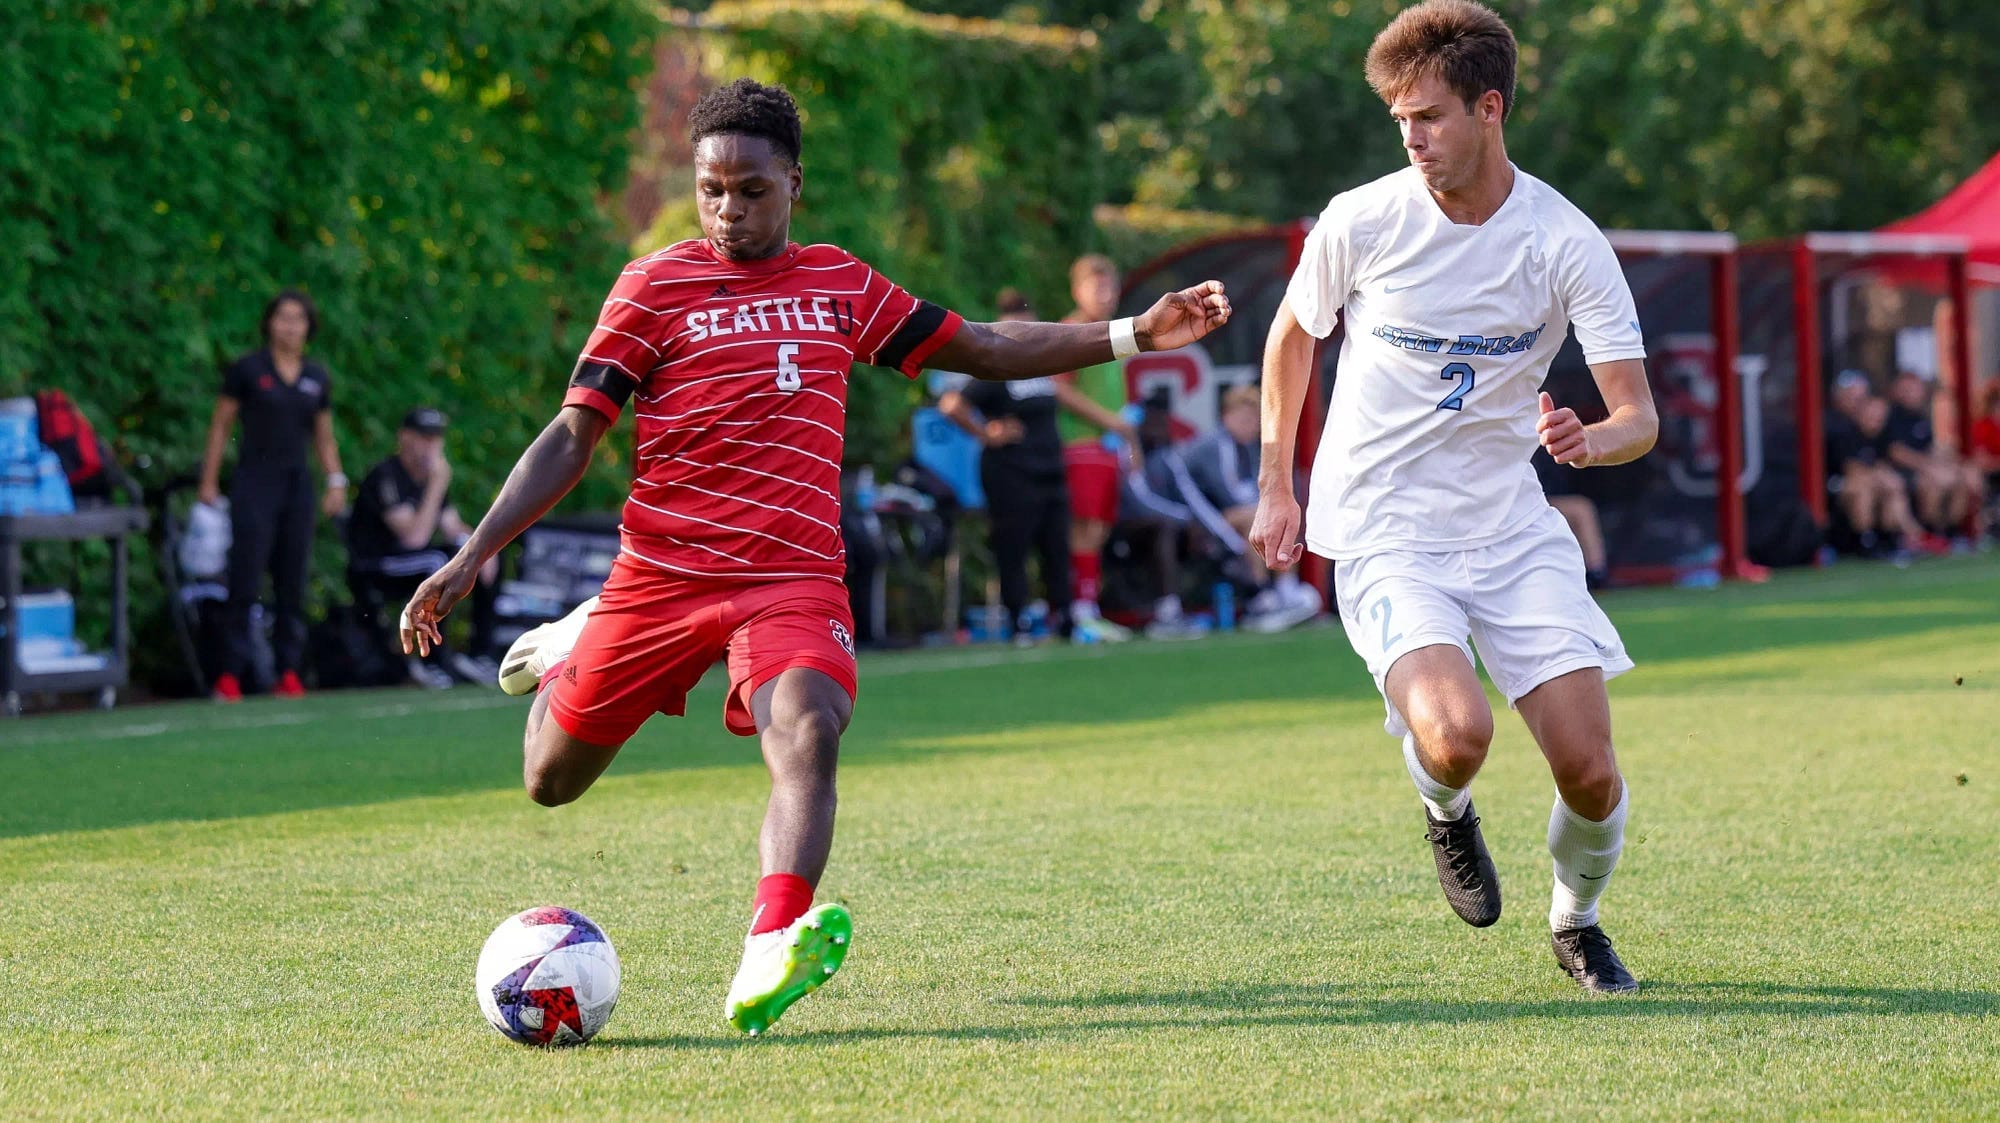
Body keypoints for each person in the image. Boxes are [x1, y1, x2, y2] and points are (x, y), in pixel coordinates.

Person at [398, 79, 1232, 1036]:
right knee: (550, 779)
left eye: (751, 190)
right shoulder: (651, 287)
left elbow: (985, 345)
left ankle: (770, 943)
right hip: (661, 577)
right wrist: (471, 553)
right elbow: (571, 434)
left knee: (808, 726)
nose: (729, 209)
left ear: (793, 184)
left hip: (789, 578)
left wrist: (1133, 333)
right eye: (712, 190)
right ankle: (572, 645)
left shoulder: (841, 284)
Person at [1251, 0, 1654, 993]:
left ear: (1489, 108)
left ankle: (1576, 921)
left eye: (1428, 116)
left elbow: (1636, 417)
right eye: (1399, 119)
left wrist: (1590, 440)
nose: (1411, 137)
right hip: (1382, 528)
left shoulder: (1562, 239)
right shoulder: (1362, 218)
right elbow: (1292, 337)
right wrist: (1275, 484)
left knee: (1590, 770)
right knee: (1457, 734)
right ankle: (1444, 809)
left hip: (1509, 529)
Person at [197, 289, 347, 702]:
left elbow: (324, 437)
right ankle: (229, 674)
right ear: (269, 323)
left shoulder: (316, 377)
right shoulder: (248, 369)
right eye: (283, 317)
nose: (290, 326)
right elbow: (220, 426)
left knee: (292, 581)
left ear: (308, 326)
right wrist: (208, 481)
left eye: (298, 319)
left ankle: (288, 671)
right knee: (244, 580)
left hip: (297, 488)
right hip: (254, 485)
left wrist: (335, 480)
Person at [937, 289, 1074, 644]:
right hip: (1011, 472)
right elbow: (951, 404)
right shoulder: (996, 369)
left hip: (1049, 469)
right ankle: (1019, 620)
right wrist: (985, 433)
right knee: (1014, 546)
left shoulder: (1043, 366)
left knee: (1057, 546)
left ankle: (1067, 619)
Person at [346, 407, 499, 688]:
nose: (431, 445)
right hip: (377, 563)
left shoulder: (430, 479)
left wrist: (481, 549)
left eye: (435, 438)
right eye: (424, 437)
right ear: (405, 437)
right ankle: (433, 661)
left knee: (480, 554)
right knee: (439, 563)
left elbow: (453, 527)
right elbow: (414, 539)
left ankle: (480, 654)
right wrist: (437, 485)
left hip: (417, 561)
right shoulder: (387, 476)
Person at [1178, 384, 1323, 630]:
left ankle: (1286, 590)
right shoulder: (1216, 444)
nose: (1252, 425)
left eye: (1256, 420)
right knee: (1258, 516)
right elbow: (1230, 493)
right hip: (1195, 524)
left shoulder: (1248, 446)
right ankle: (1262, 598)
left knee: (1282, 511)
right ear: (1226, 416)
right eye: (1244, 419)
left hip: (1226, 519)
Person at [1058, 255, 1145, 642]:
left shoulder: (1115, 333)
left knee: (1100, 529)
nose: (1105, 294)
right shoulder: (1069, 332)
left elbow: (1119, 402)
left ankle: (1087, 608)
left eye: (1109, 286)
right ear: (1077, 291)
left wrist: (1131, 445)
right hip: (1080, 444)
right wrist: (1109, 422)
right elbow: (1059, 388)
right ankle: (1080, 612)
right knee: (1084, 527)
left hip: (1108, 448)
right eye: (1096, 286)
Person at [1883, 370, 1985, 544]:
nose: (1910, 394)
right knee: (1934, 483)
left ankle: (1951, 532)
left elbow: (1931, 448)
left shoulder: (1921, 417)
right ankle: (1930, 532)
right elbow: (1896, 453)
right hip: (1902, 472)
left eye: (1914, 389)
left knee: (1962, 479)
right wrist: (1928, 467)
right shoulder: (1892, 417)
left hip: (1926, 468)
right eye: (1906, 390)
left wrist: (1953, 462)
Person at [1825, 369, 1916, 558]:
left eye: (1861, 397)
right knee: (1864, 488)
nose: (1857, 402)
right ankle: (1866, 542)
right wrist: (1881, 478)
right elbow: (1851, 468)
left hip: (1864, 478)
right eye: (1852, 396)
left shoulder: (1867, 428)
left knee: (1892, 486)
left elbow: (1878, 460)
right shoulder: (1834, 424)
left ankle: (1894, 540)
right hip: (1834, 482)